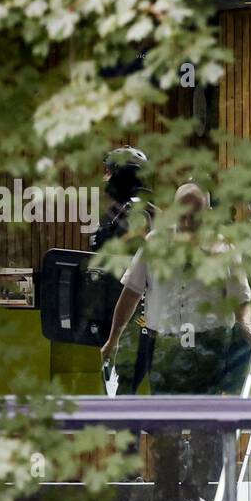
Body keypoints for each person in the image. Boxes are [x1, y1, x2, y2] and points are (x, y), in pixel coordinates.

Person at [99, 183, 251, 501]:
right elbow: (130, 294)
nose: (188, 220)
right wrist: (113, 338)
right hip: (166, 348)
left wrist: (244, 323)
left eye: (196, 213)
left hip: (209, 345)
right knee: (166, 432)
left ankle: (196, 494)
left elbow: (242, 299)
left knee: (207, 429)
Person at [91, 146, 156, 393]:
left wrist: (116, 336)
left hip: (134, 320)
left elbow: (136, 278)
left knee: (123, 395)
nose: (104, 179)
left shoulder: (135, 214)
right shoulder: (144, 211)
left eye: (108, 172)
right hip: (132, 318)